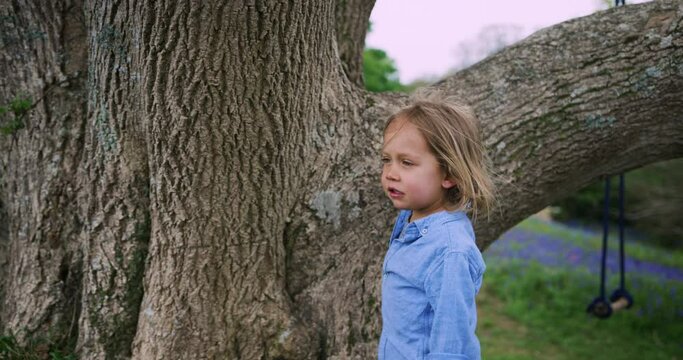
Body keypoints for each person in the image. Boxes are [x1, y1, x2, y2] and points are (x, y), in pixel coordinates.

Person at [378, 92, 496, 360]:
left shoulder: (449, 252)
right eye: (386, 159)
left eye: (406, 162)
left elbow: (452, 349)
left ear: (450, 174)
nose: (390, 173)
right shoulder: (413, 222)